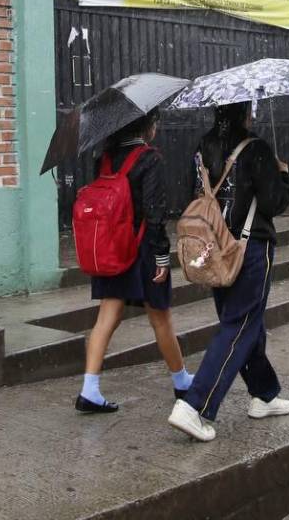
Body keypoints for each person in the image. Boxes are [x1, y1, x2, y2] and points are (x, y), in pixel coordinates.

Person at [168, 102, 289, 442]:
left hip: (213, 247)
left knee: (244, 323)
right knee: (239, 326)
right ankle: (194, 406)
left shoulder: (202, 147)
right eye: (250, 110)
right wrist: (282, 175)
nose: (253, 115)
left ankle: (264, 394)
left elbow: (191, 193)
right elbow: (274, 203)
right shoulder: (256, 148)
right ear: (243, 113)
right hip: (249, 249)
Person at [77, 110, 194, 413]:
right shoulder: (149, 159)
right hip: (141, 249)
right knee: (160, 318)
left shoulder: (103, 158)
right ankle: (182, 383)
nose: (156, 129)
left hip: (109, 248)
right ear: (146, 127)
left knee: (106, 317)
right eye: (154, 124)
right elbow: (155, 214)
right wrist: (161, 258)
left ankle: (89, 389)